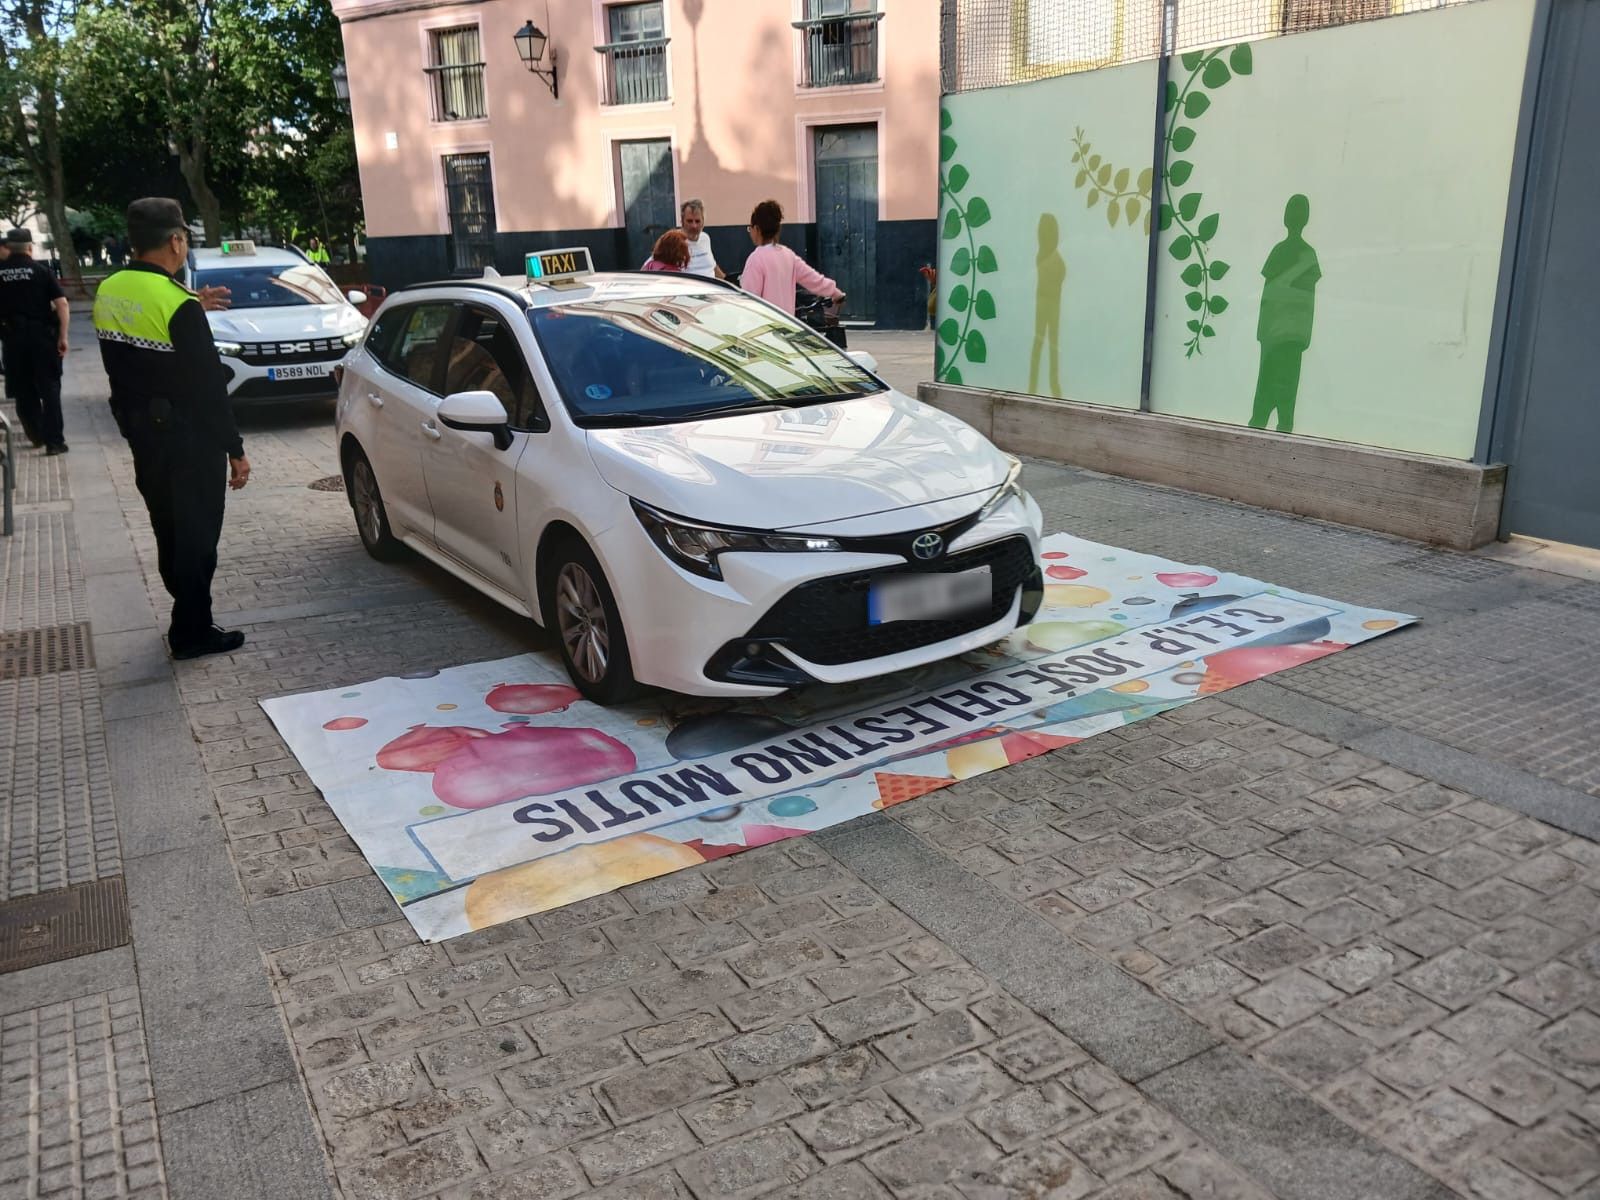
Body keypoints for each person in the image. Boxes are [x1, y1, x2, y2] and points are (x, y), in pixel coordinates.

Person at [93, 198, 252, 660]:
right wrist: (235, 448)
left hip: (141, 433)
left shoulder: (110, 289)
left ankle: (185, 612)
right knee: (198, 535)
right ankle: (192, 631)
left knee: (167, 526)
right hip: (188, 438)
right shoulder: (178, 304)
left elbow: (144, 341)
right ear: (176, 241)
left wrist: (190, 306)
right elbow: (207, 388)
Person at [1249, 194, 1321, 435]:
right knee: (1284, 392)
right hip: (1289, 335)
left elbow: (1269, 297)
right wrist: (1303, 335)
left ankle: (1264, 432)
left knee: (1271, 391)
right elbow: (1305, 301)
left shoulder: (1285, 253)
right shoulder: (1306, 255)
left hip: (1279, 334)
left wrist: (1263, 332)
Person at [0, 228, 70, 453]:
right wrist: (63, 336)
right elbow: (62, 304)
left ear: (8, 248)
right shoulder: (41, 271)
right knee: (49, 388)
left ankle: (37, 435)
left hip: (12, 338)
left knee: (23, 390)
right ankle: (54, 442)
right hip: (42, 337)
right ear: (30, 247)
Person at [739, 200, 844, 317]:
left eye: (750, 228)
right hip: (788, 325)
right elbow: (813, 279)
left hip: (765, 328)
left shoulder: (756, 259)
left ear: (757, 229)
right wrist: (835, 292)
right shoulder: (788, 255)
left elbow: (749, 301)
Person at [678, 200, 724, 279]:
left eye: (697, 221)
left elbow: (713, 266)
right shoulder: (672, 241)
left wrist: (729, 282)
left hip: (713, 289)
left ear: (703, 222)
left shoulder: (705, 238)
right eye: (689, 221)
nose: (694, 226)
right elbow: (652, 265)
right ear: (682, 221)